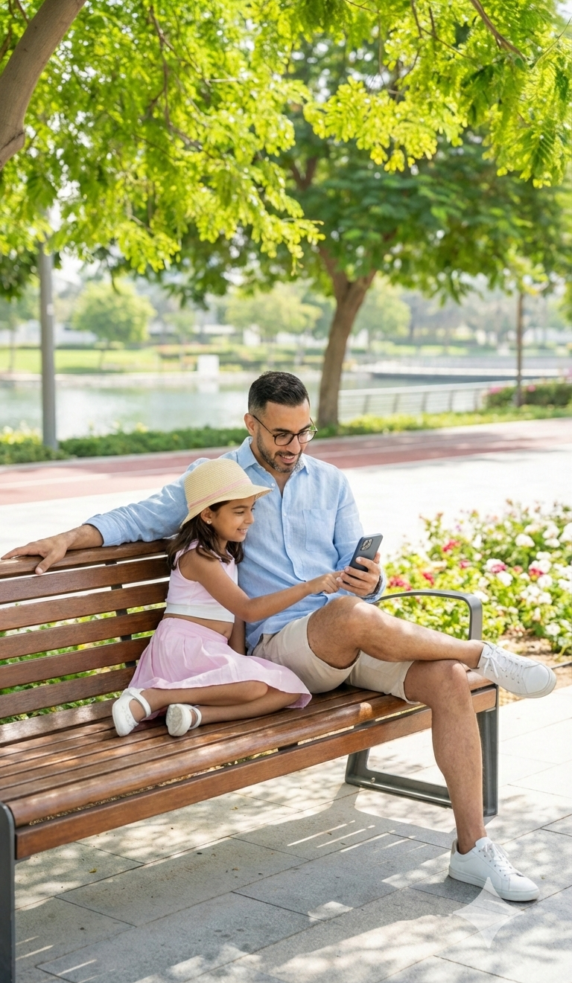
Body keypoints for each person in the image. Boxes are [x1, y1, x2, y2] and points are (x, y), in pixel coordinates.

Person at [3, 371, 556, 902]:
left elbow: (358, 576)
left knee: (449, 681)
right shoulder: (218, 479)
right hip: (279, 652)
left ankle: (472, 846)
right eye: (282, 434)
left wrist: (372, 578)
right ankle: (485, 654)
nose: (295, 445)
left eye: (305, 431)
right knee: (350, 614)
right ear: (251, 424)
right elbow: (139, 517)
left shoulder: (332, 482)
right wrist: (69, 536)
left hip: (345, 634)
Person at [113, 458, 337, 737]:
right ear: (208, 515)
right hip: (184, 649)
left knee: (288, 690)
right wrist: (307, 587)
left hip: (210, 651)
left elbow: (235, 614)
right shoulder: (198, 556)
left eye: (251, 509)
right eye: (240, 511)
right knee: (254, 687)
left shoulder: (227, 556)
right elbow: (248, 609)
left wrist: (238, 659)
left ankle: (195, 715)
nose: (251, 519)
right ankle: (155, 696)